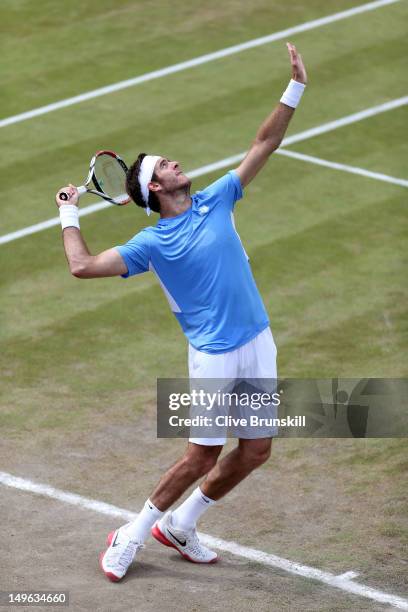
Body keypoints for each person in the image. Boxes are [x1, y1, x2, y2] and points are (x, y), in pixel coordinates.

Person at [55, 42, 307, 582]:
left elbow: (265, 141)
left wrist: (295, 88)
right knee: (199, 457)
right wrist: (68, 212)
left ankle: (184, 525)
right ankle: (131, 535)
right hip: (214, 356)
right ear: (155, 188)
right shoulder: (151, 242)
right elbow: (81, 266)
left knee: (257, 450)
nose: (175, 163)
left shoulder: (218, 197)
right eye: (164, 165)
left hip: (258, 340)